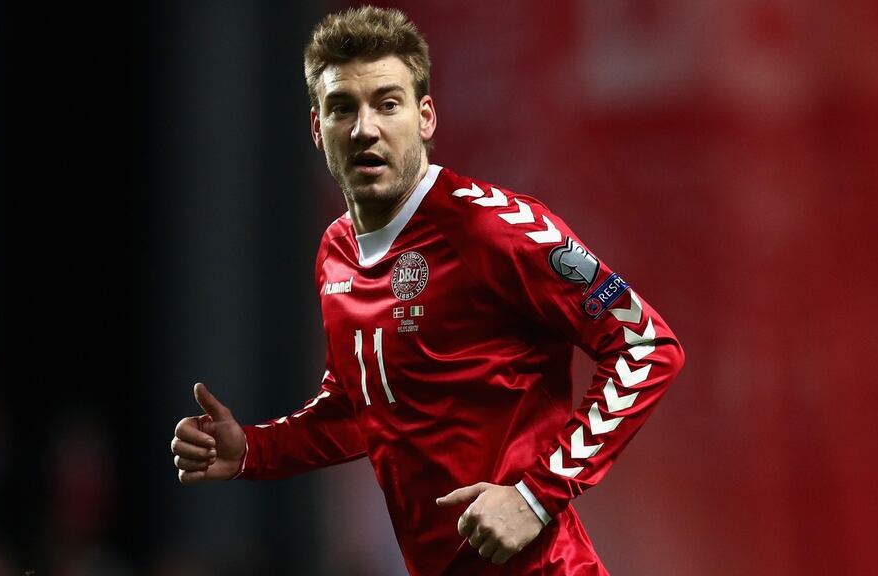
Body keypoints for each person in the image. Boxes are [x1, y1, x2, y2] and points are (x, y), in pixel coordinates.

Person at [170, 5, 685, 575]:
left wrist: (537, 496)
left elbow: (647, 346)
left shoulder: (495, 229)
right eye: (343, 108)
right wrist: (255, 450)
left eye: (387, 104)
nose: (366, 128)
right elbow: (362, 406)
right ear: (318, 128)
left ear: (426, 117)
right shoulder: (336, 251)